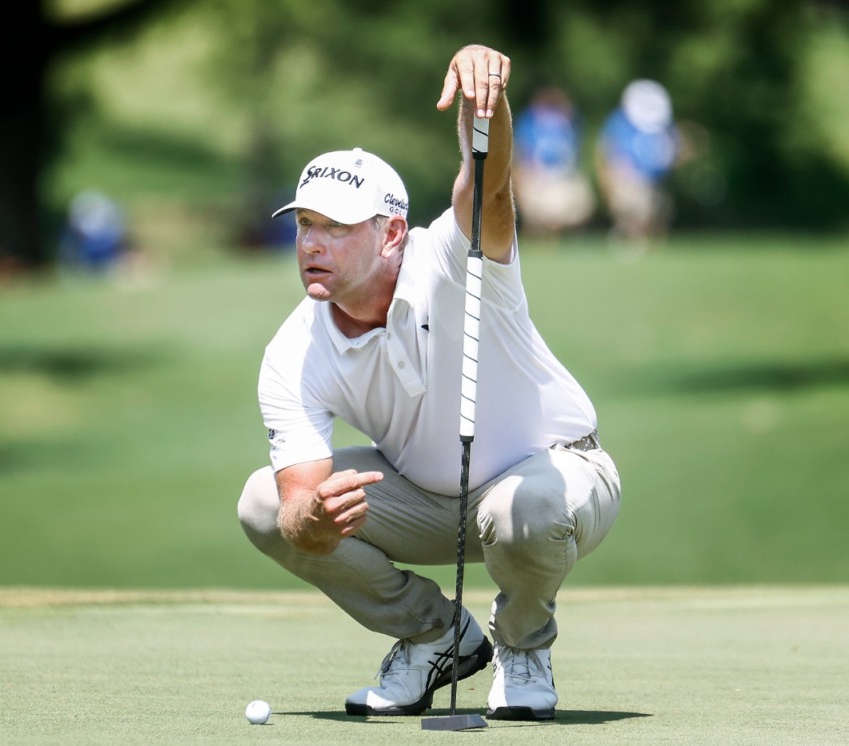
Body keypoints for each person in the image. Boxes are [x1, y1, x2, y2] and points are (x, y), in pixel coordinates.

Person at [237, 44, 621, 721]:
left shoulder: (453, 257)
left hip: (557, 479)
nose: (311, 245)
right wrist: (310, 520)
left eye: (334, 227)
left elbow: (489, 183)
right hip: (429, 500)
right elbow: (297, 501)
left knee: (520, 512)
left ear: (389, 233)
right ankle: (436, 635)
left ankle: (522, 646)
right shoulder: (293, 349)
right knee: (264, 506)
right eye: (303, 225)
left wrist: (487, 103)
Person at [595, 79, 680, 242]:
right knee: (634, 208)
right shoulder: (619, 121)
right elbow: (608, 149)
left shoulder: (661, 123)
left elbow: (670, 150)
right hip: (628, 179)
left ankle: (639, 238)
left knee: (656, 212)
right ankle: (627, 234)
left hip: (653, 180)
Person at [512, 86, 595, 237]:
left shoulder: (566, 121)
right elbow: (522, 153)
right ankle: (539, 233)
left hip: (563, 175)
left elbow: (576, 129)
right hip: (537, 175)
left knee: (578, 204)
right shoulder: (529, 121)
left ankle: (556, 233)